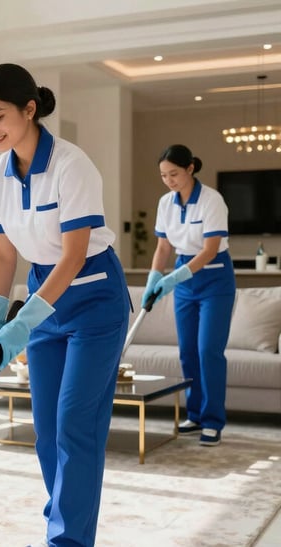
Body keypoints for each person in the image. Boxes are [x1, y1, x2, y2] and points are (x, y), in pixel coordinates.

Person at [0, 63, 129, 547]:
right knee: (46, 430)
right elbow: (4, 254)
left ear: (29, 109)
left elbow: (74, 256)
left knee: (75, 424)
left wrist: (24, 322)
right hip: (44, 292)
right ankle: (64, 522)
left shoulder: (71, 164)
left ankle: (66, 541)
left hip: (93, 295)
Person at [142, 144, 235, 447]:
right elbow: (163, 247)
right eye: (163, 175)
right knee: (188, 352)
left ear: (190, 169)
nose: (169, 180)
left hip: (214, 277)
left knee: (208, 350)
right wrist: (154, 277)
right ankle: (194, 415)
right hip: (184, 279)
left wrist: (175, 277)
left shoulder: (212, 200)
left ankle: (212, 421)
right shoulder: (165, 203)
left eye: (174, 174)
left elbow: (210, 250)